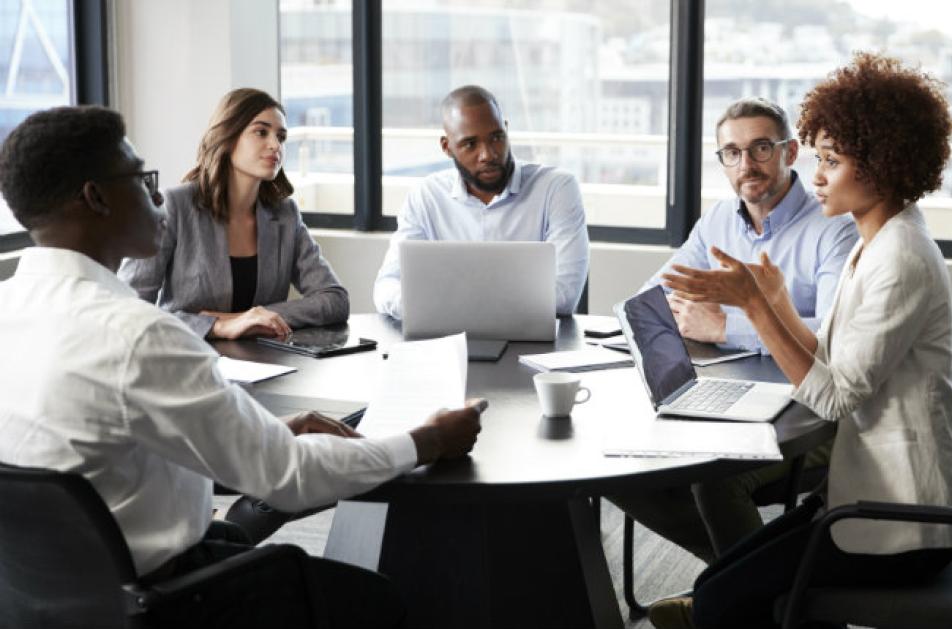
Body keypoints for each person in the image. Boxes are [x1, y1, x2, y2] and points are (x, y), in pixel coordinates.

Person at [0, 105, 485, 628]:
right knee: (379, 601)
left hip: (54, 596)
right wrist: (428, 440)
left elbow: (105, 441)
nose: (158, 196)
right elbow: (289, 477)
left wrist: (262, 430)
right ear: (95, 197)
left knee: (236, 535)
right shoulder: (139, 333)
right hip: (170, 598)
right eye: (142, 180)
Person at [651, 52, 952, 629]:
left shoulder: (899, 258)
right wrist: (775, 303)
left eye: (831, 160)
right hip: (865, 495)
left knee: (726, 598)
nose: (817, 176)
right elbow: (829, 347)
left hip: (903, 519)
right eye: (818, 158)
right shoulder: (874, 241)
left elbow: (832, 397)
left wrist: (754, 305)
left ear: (883, 164)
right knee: (718, 584)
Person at [609, 97, 857, 565]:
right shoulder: (719, 219)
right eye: (732, 152)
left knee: (718, 479)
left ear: (789, 151)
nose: (747, 164)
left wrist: (726, 326)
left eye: (761, 148)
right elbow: (655, 296)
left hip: (815, 416)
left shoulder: (834, 229)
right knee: (620, 468)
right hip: (732, 395)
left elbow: (830, 336)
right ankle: (744, 579)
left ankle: (745, 587)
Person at [119, 88, 348, 340]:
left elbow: (334, 299)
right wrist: (216, 325)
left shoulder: (285, 214)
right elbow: (129, 311)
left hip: (268, 365)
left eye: (281, 137)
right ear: (228, 137)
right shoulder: (174, 205)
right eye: (261, 132)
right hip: (189, 361)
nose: (275, 145)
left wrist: (253, 317)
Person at [372, 85, 589, 318]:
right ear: (447, 147)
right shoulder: (426, 196)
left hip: (533, 347)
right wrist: (435, 308)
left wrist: (445, 306)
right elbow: (387, 286)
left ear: (506, 130)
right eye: (470, 144)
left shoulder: (556, 189)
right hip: (448, 341)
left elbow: (564, 295)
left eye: (496, 138)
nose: (487, 154)